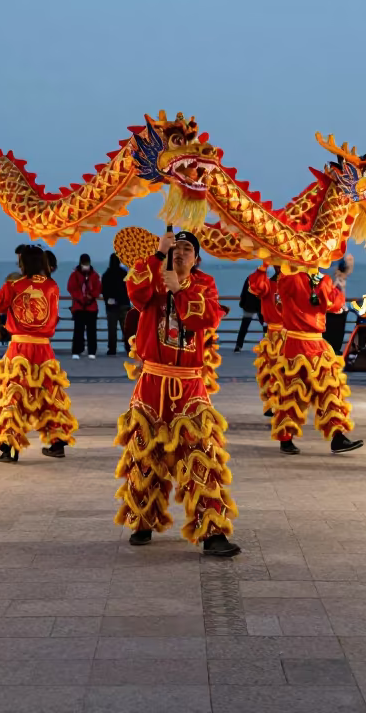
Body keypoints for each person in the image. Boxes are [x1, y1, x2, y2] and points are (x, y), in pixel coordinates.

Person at [114, 228, 240, 557]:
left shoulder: (204, 284)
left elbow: (209, 317)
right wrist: (157, 255)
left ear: (196, 259)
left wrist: (180, 290)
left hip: (189, 385)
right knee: (144, 455)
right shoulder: (152, 273)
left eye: (188, 249)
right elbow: (136, 294)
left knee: (200, 454)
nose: (181, 252)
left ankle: (212, 531)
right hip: (152, 381)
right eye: (176, 247)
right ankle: (141, 520)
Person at [252, 266, 363, 455]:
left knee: (304, 391)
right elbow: (336, 304)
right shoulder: (317, 280)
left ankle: (327, 436)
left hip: (301, 343)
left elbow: (282, 305)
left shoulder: (289, 279)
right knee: (315, 390)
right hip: (305, 342)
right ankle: (327, 435)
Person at [0, 245, 78, 462]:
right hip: (44, 348)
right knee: (50, 394)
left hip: (19, 349)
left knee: (14, 395)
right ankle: (57, 442)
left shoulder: (14, 285)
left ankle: (10, 446)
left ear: (23, 263)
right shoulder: (52, 286)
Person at [247, 264, 283, 418]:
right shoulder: (267, 284)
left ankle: (285, 404)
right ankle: (270, 404)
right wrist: (263, 266)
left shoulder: (296, 283)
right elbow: (255, 285)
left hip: (292, 334)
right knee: (269, 370)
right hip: (273, 334)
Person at [68, 254, 101, 359]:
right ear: (80, 264)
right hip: (79, 307)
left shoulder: (95, 275)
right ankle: (76, 351)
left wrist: (91, 296)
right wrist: (81, 297)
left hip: (91, 307)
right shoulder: (74, 275)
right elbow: (71, 288)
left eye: (87, 264)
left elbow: (98, 288)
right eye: (84, 264)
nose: (85, 266)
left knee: (92, 331)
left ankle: (92, 351)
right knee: (78, 330)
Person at [102, 253, 130, 355]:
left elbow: (104, 291)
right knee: (126, 329)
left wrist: (107, 300)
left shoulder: (106, 275)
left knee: (112, 329)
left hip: (111, 306)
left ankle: (112, 349)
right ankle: (129, 348)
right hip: (124, 304)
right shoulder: (124, 273)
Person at [325, 255, 354, 354]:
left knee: (329, 335)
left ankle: (330, 350)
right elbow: (348, 270)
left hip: (330, 309)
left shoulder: (331, 276)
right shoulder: (341, 277)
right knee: (336, 336)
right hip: (339, 309)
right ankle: (334, 350)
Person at [234, 272, 264, 352]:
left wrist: (242, 303)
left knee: (244, 327)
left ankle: (238, 346)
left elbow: (244, 292)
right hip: (260, 306)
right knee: (265, 326)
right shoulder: (265, 280)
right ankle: (266, 345)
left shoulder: (249, 278)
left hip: (249, 306)